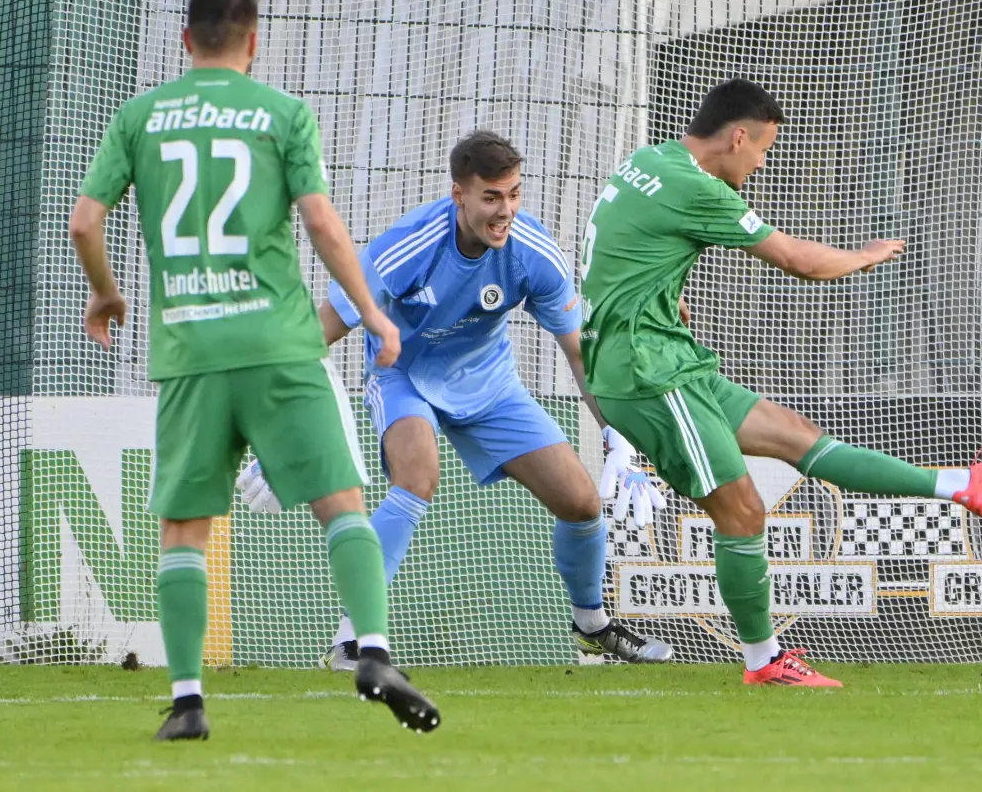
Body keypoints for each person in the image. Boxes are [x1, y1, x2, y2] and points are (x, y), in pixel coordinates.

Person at [68, 0, 439, 739]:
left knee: (183, 531)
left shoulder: (139, 117)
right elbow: (322, 223)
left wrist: (106, 294)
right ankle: (371, 649)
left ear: (186, 41)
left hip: (190, 353)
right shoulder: (281, 114)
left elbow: (83, 222)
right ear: (254, 39)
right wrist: (370, 312)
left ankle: (187, 700)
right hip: (280, 346)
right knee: (340, 502)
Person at [580, 78, 982, 687]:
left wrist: (661, 297)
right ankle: (764, 662)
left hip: (666, 358)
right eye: (761, 149)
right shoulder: (698, 188)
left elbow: (626, 247)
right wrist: (866, 256)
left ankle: (961, 486)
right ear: (738, 137)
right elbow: (798, 261)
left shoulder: (649, 160)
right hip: (648, 375)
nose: (761, 163)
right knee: (743, 513)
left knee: (796, 436)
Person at [237, 130, 674, 669]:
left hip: (489, 384)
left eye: (514, 194)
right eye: (491, 197)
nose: (505, 210)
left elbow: (581, 355)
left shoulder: (533, 254)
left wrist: (618, 437)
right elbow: (317, 332)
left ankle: (592, 624)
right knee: (417, 475)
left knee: (582, 502)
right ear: (458, 195)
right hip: (404, 375)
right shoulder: (409, 245)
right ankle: (352, 641)